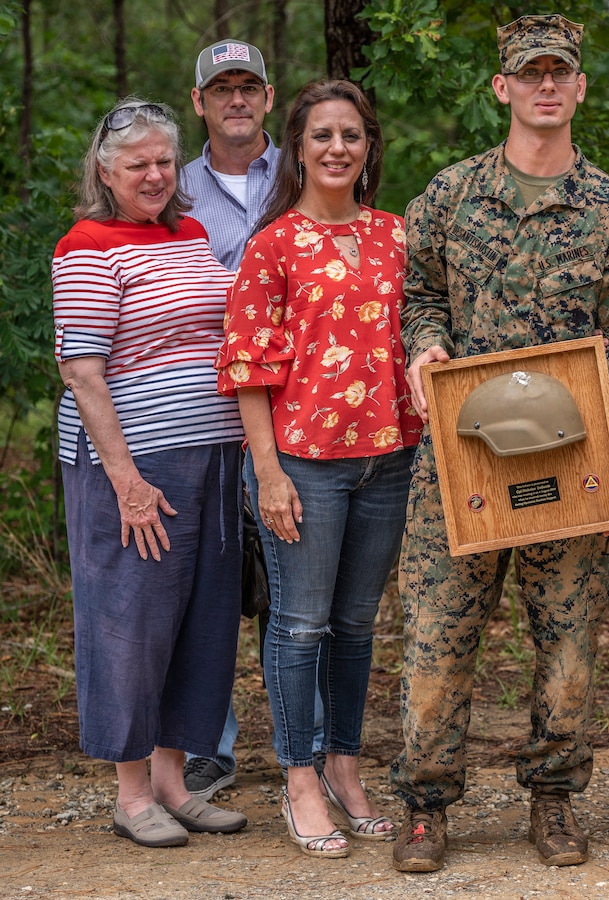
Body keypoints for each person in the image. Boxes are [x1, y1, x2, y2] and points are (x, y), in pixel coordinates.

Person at [389, 14, 609, 873]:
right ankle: (425, 807)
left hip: (572, 461)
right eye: (529, 73)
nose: (546, 85)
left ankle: (553, 798)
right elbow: (418, 290)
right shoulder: (452, 193)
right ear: (502, 87)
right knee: (435, 636)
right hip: (460, 460)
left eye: (560, 73)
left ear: (579, 88)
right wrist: (424, 345)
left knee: (568, 643)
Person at [216, 78, 421, 858]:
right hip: (302, 465)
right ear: (297, 148)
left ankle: (344, 763)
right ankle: (297, 776)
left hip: (387, 462)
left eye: (353, 136)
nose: (338, 148)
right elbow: (247, 368)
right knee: (300, 625)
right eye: (323, 136)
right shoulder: (273, 244)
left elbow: (421, 336)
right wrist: (267, 473)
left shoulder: (396, 236)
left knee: (356, 625)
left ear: (369, 150)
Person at [51, 98, 249, 847]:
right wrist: (126, 481)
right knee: (131, 623)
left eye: (166, 161)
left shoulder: (190, 233)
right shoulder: (87, 244)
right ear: (106, 170)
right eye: (138, 164)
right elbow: (84, 373)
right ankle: (131, 792)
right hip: (134, 466)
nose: (157, 175)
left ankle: (175, 779)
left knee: (201, 621)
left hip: (212, 458)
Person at [180, 36, 329, 802]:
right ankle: (210, 746)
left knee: (301, 590)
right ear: (200, 102)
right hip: (207, 417)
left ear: (270, 98)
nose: (236, 99)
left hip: (303, 413)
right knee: (210, 586)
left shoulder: (305, 171)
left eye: (249, 86)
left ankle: (314, 747)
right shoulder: (172, 192)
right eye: (221, 88)